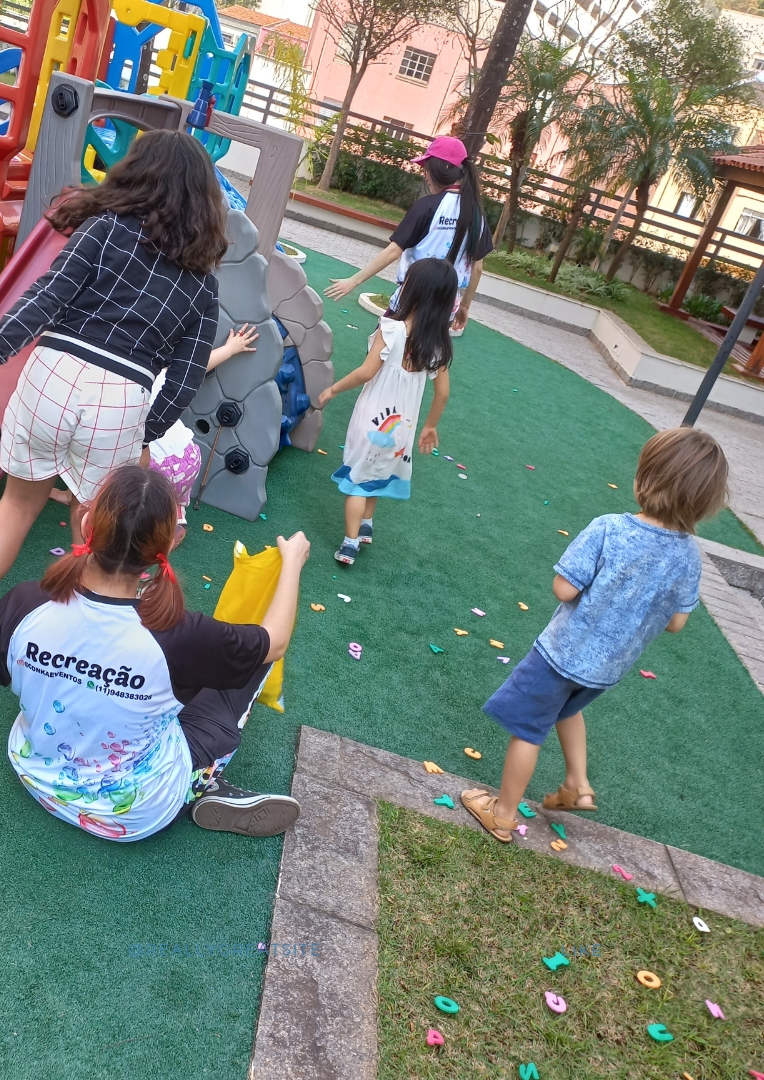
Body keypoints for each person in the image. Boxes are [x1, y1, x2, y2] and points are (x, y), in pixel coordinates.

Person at [0, 130, 227, 656]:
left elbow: (44, 299)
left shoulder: (104, 229)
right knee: (94, 529)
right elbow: (185, 376)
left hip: (52, 375)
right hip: (122, 400)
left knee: (16, 506)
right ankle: (71, 644)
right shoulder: (201, 284)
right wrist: (146, 432)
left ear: (137, 174)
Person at [0, 465, 309, 842]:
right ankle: (201, 784)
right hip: (135, 814)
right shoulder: (182, 635)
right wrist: (291, 562)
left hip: (36, 777)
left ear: (86, 526)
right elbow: (274, 642)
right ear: (166, 547)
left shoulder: (25, 603)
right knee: (241, 673)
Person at [461, 428, 729, 842]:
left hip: (561, 653)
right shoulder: (688, 556)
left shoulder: (610, 528)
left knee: (529, 730)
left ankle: (503, 812)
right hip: (607, 668)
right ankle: (577, 783)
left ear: (645, 480)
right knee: (567, 709)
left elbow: (564, 589)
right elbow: (676, 622)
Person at [318, 258, 456, 565]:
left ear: (412, 290)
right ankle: (367, 524)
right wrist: (430, 427)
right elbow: (443, 393)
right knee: (377, 472)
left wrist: (333, 389)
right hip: (402, 428)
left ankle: (350, 541)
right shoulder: (438, 346)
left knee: (356, 479)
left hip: (372, 421)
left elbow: (366, 372)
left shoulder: (391, 330)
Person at [324, 135, 492, 336]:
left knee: (380, 353)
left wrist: (354, 280)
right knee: (422, 359)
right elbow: (478, 268)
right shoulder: (478, 215)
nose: (425, 176)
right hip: (447, 305)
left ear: (439, 169)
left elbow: (394, 251)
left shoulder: (427, 207)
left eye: (426, 169)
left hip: (413, 298)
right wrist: (464, 306)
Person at [148, 324, 258, 543]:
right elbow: (198, 366)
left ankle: (150, 527)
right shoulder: (163, 374)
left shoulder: (129, 388)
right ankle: (177, 517)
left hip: (157, 469)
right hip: (188, 458)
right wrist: (231, 348)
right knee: (172, 492)